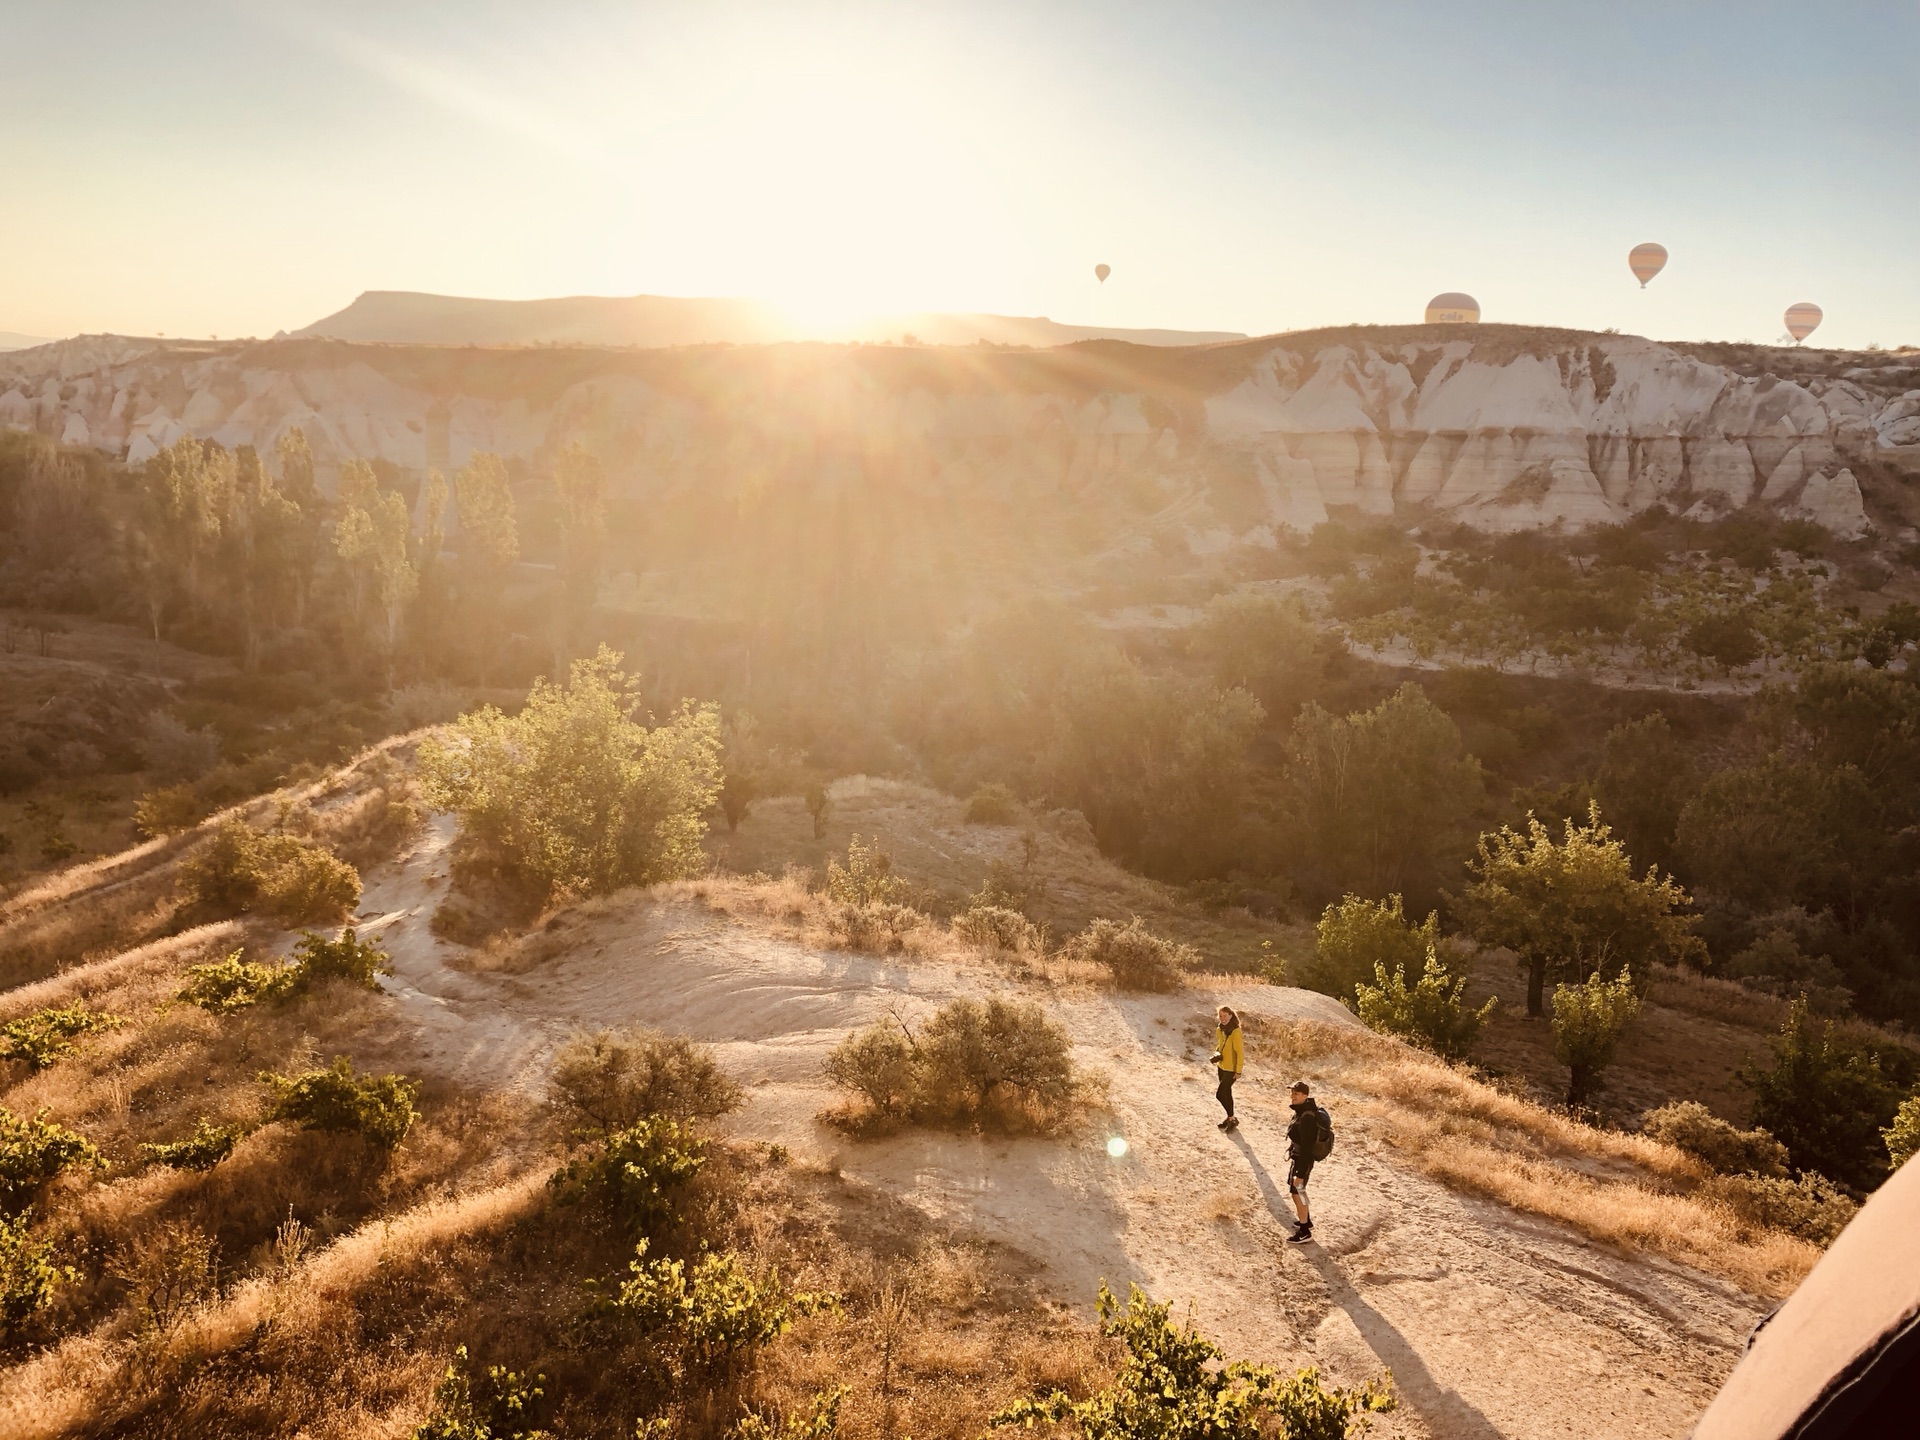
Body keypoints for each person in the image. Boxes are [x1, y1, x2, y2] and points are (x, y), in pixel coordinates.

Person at [1285, 1080, 1322, 1242]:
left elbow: (1306, 1148)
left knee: (1296, 1192)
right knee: (1301, 1191)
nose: (1293, 1096)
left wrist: (1300, 1172)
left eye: (1297, 1094)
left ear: (1305, 1096)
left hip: (1302, 1161)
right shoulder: (1304, 1110)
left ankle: (1305, 1231)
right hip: (1299, 1159)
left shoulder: (1307, 1117)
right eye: (1292, 1093)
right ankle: (1306, 1218)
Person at [1210, 1005, 1243, 1131]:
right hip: (1222, 1066)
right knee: (1227, 1093)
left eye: (1225, 1015)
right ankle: (1230, 1119)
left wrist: (1238, 1071)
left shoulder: (1236, 1032)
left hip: (1231, 1069)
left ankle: (1232, 1119)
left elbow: (1240, 1053)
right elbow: (1220, 1045)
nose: (1222, 1018)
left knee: (1220, 1094)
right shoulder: (1220, 1029)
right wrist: (1216, 1054)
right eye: (1220, 1016)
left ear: (1231, 1015)